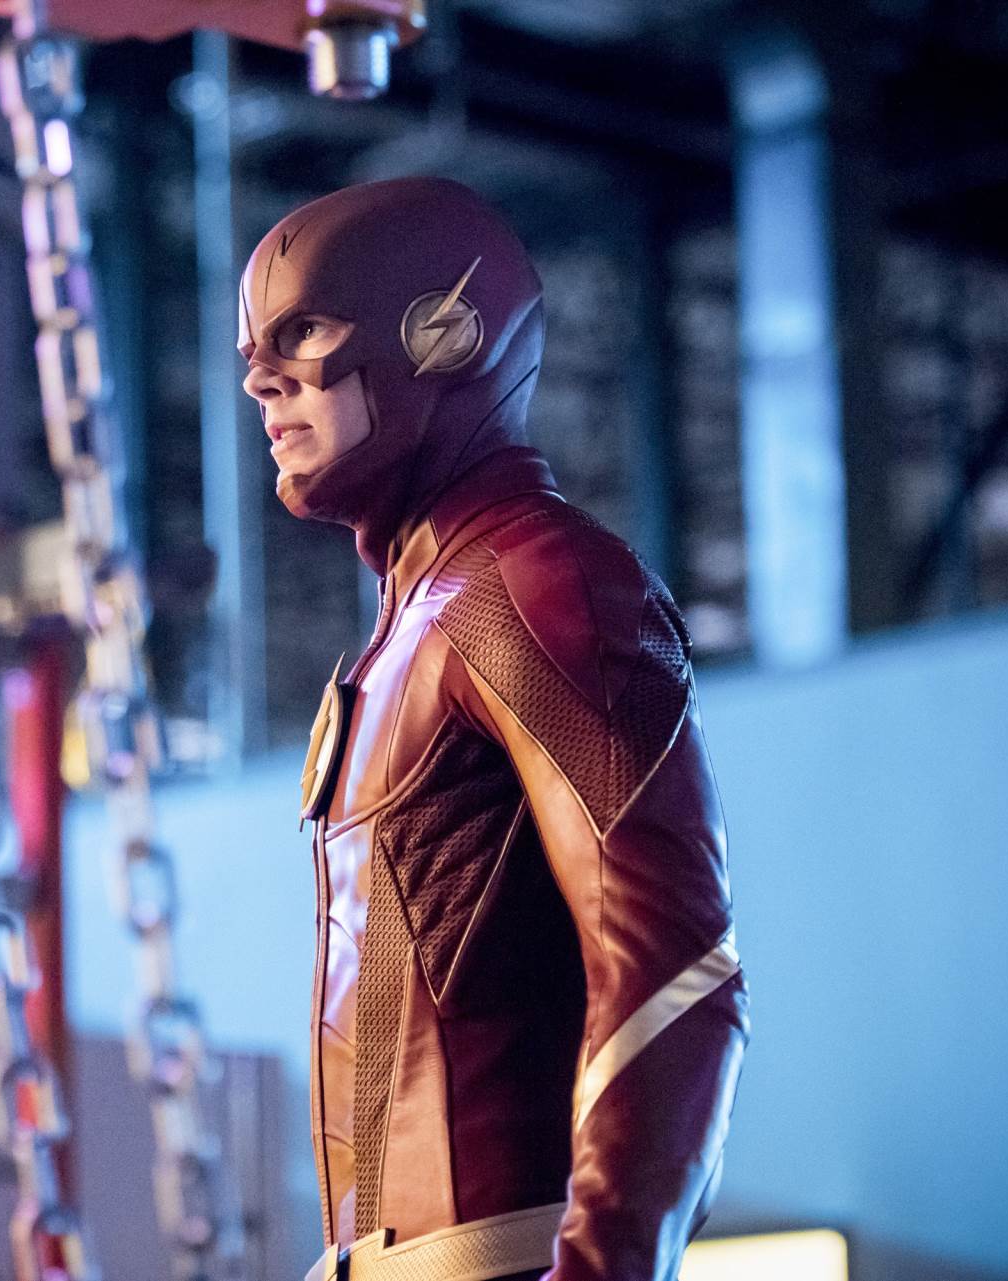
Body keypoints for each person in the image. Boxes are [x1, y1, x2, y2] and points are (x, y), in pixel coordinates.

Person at [238, 177, 748, 1281]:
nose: (261, 378)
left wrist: (604, 1268)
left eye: (304, 333)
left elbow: (676, 974)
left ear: (446, 332)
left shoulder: (530, 579)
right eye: (254, 351)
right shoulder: (420, 623)